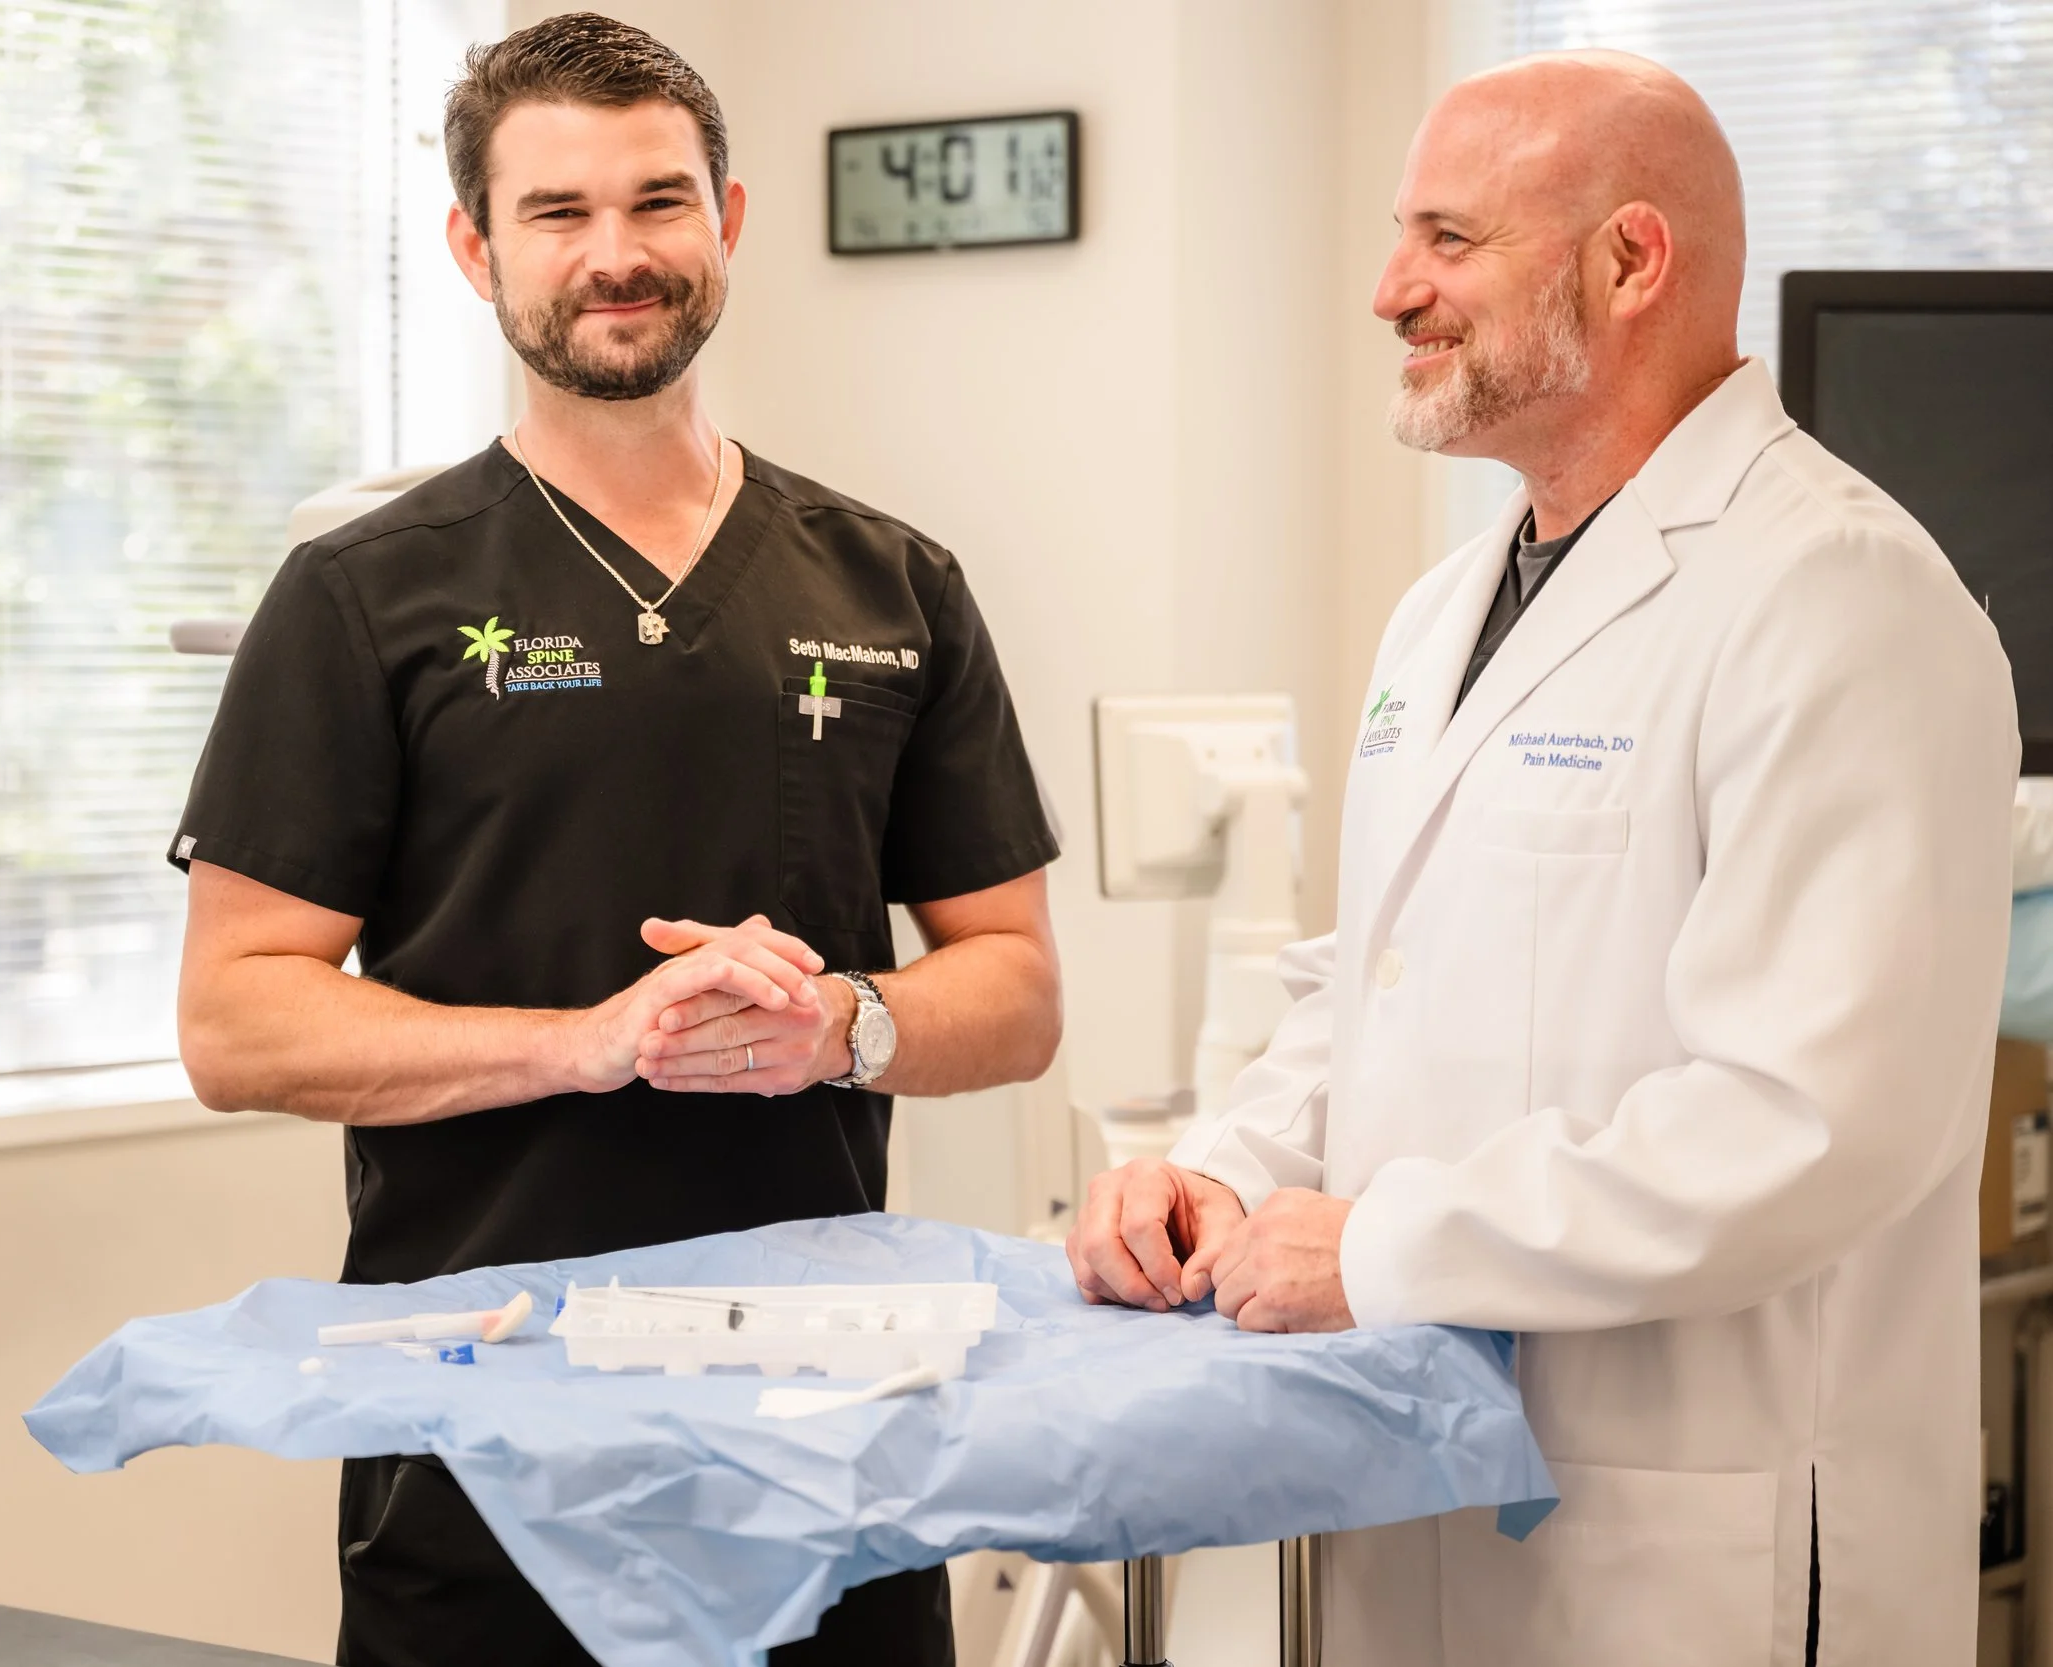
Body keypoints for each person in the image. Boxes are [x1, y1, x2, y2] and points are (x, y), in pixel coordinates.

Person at [1069, 49, 2013, 1667]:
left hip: (1693, 1540)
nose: (1389, 289)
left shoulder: (1842, 596)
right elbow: (1374, 984)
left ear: (1629, 261)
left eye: (1448, 239)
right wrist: (1228, 1169)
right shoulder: (1449, 609)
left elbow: (1806, 1122)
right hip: (1425, 1492)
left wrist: (1379, 1246)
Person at [170, 13, 1061, 1666]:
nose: (616, 255)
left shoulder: (893, 587)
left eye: (657, 203)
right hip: (489, 1447)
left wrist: (846, 1025)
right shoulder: (366, 597)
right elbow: (235, 1018)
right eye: (557, 214)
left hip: (832, 1436)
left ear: (729, 219)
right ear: (473, 247)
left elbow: (1012, 986)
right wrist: (587, 1045)